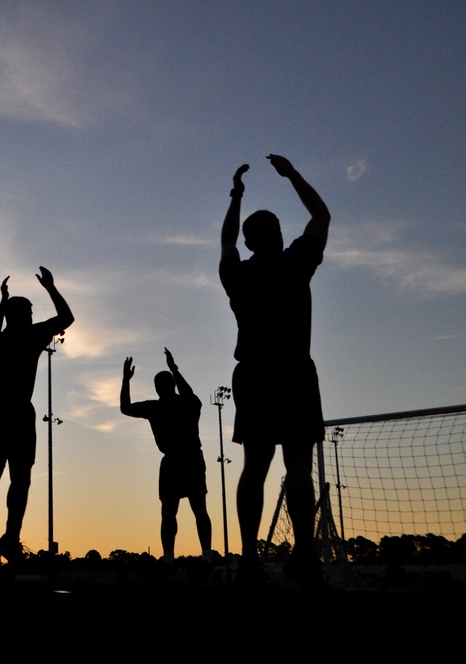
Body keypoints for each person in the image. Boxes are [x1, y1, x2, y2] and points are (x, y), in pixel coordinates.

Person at [219, 154, 331, 587]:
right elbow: (321, 214)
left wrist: (236, 195)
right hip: (294, 371)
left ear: (250, 243)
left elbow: (227, 240)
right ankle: (304, 557)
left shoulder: (236, 274)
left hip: (254, 375)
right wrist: (292, 176)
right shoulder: (297, 262)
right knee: (299, 468)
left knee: (253, 468)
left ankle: (249, 560)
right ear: (281, 236)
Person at [0, 267, 74, 564]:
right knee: (17, 480)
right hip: (10, 412)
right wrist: (51, 288)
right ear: (21, 317)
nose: (30, 316)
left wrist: (2, 301)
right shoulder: (30, 335)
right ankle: (5, 537)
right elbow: (67, 318)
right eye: (27, 312)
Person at [120, 348, 212, 563]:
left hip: (176, 460)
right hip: (190, 459)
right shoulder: (186, 403)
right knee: (197, 509)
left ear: (159, 388)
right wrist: (174, 368)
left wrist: (126, 380)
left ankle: (170, 556)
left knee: (171, 511)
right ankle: (204, 554)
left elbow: (125, 407)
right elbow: (189, 394)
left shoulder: (157, 407)